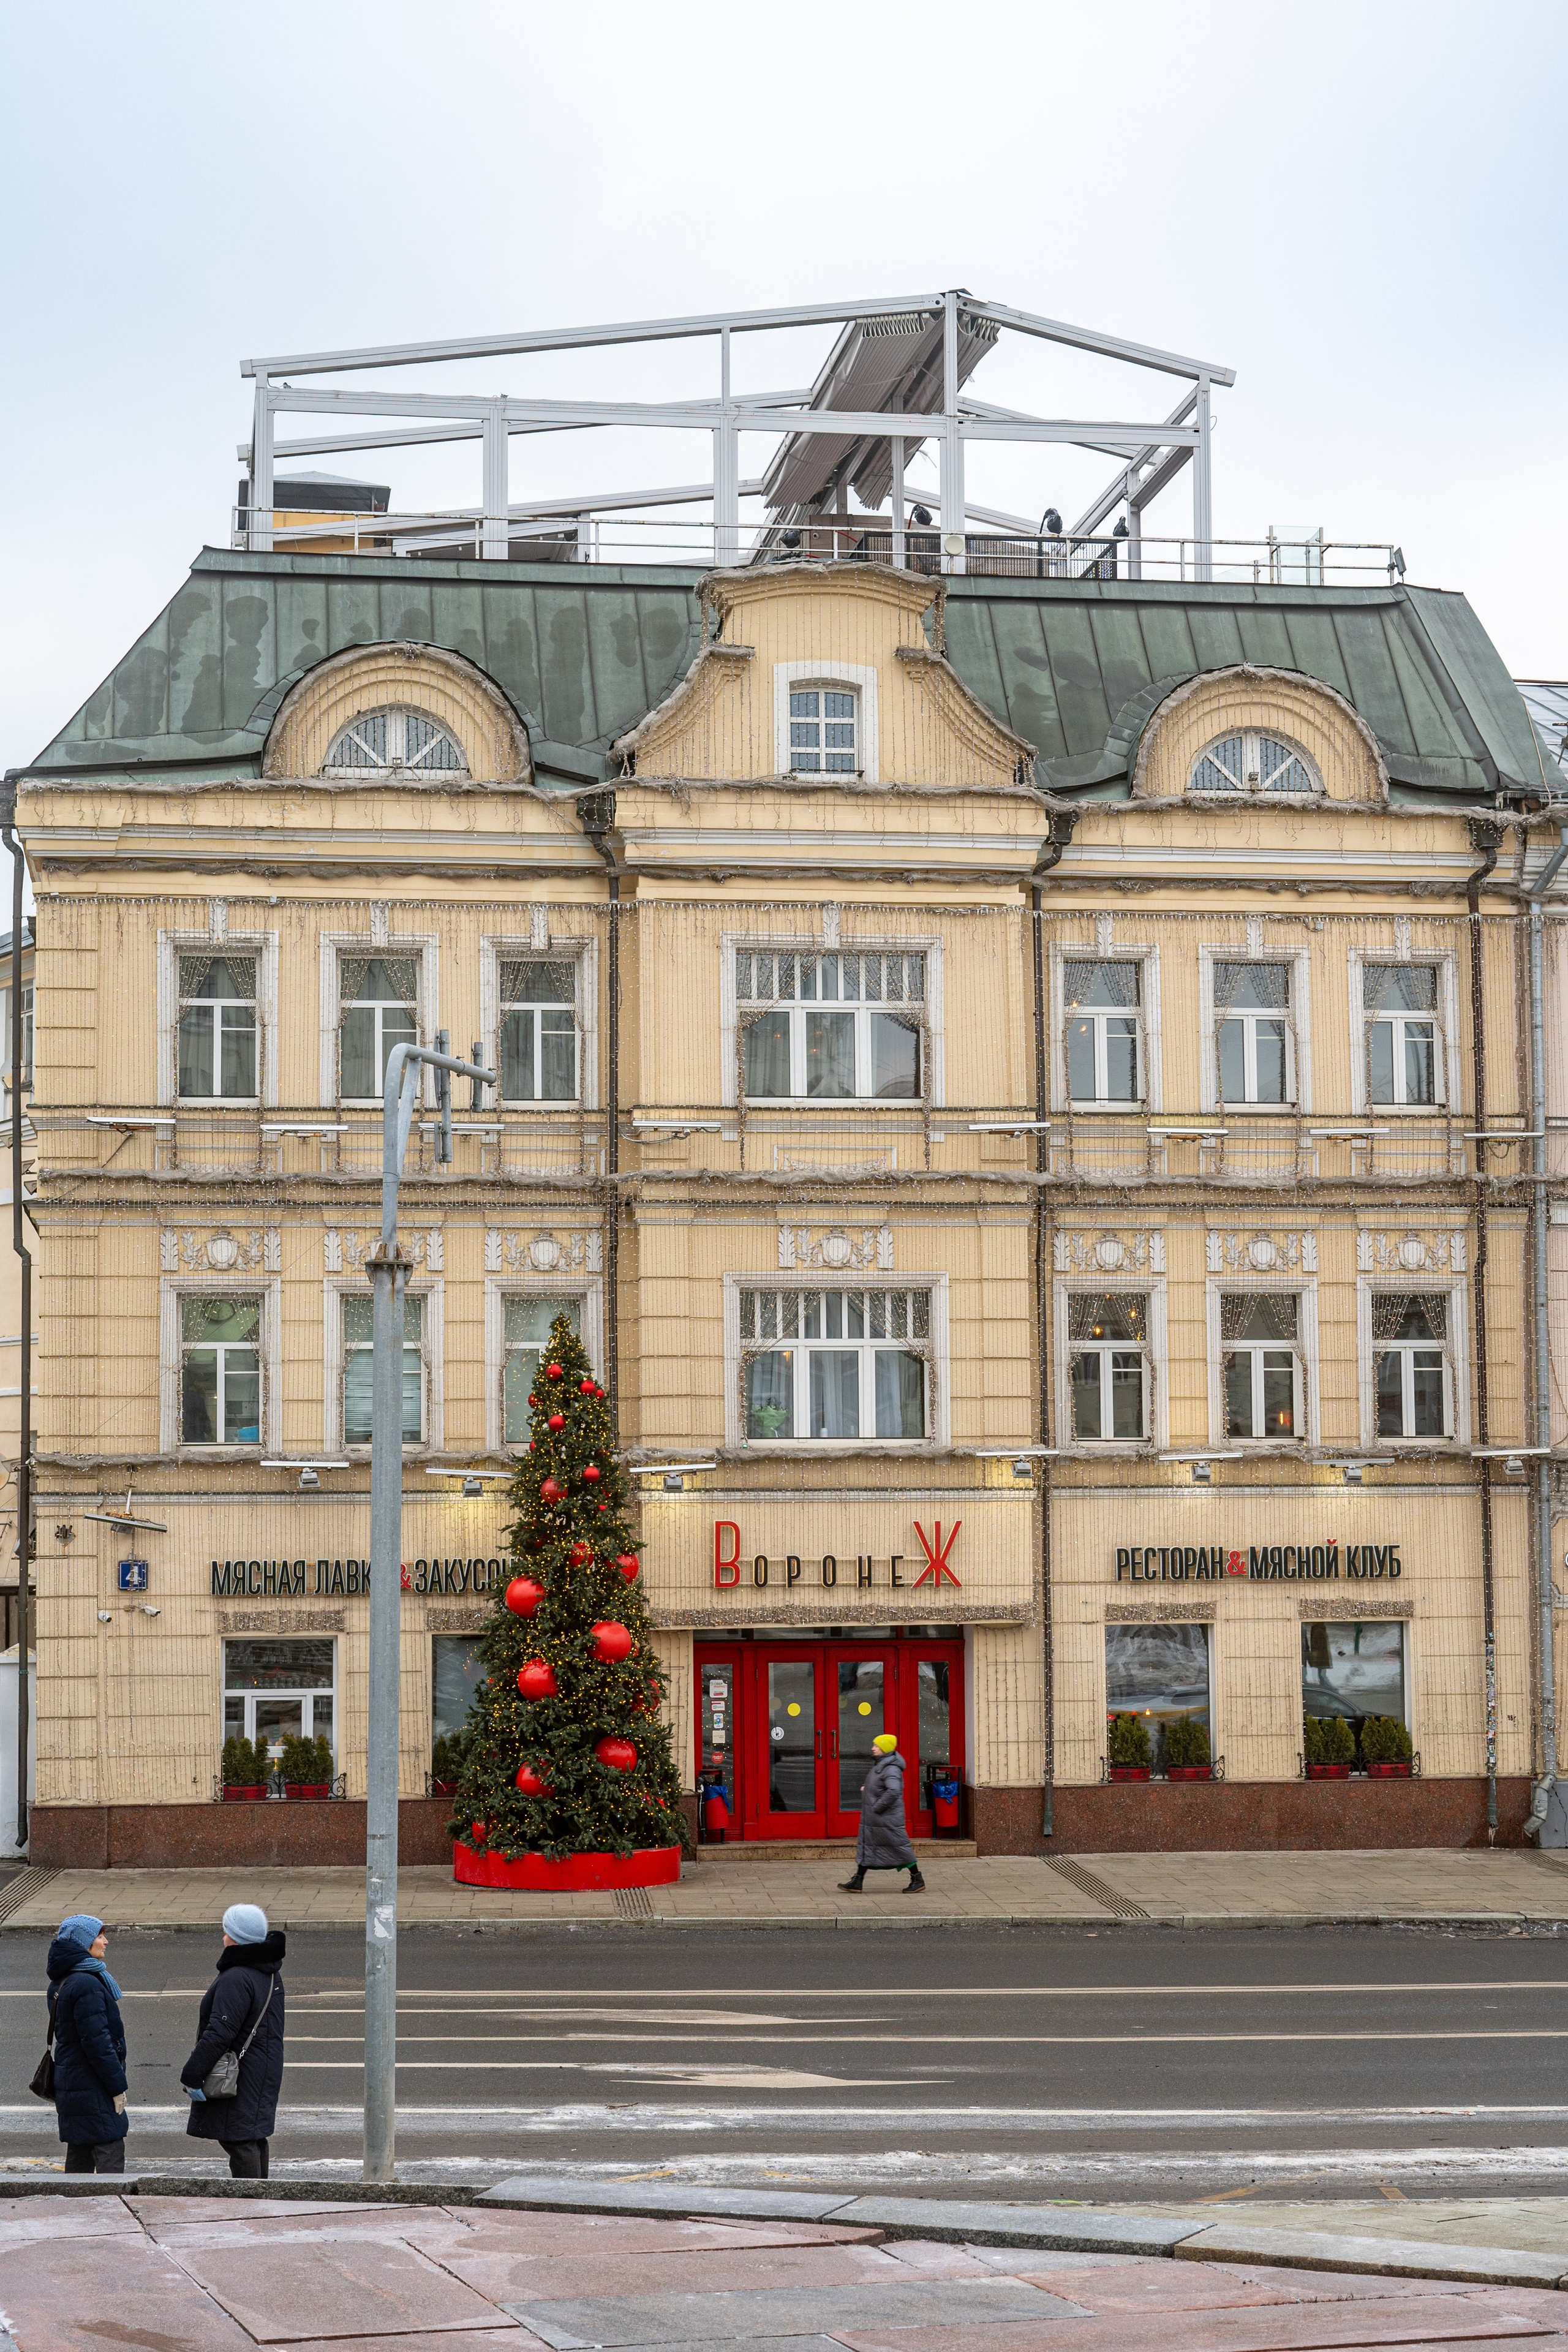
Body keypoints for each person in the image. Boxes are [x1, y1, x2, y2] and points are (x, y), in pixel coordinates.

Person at [179, 1902, 286, 2178]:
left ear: (237, 1938)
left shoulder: (237, 1976)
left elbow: (220, 2032)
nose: (223, 1937)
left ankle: (251, 2202)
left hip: (241, 2071)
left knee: (239, 2139)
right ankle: (261, 2196)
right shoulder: (269, 1971)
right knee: (252, 2136)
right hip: (262, 2065)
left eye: (227, 1931)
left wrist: (193, 2074)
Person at [46, 1912, 129, 2173]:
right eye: (100, 1936)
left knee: (80, 2152)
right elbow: (98, 2044)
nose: (106, 1942)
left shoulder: (64, 1980)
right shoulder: (86, 1985)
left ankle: (74, 2209)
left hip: (72, 2080)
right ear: (84, 1944)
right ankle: (114, 2209)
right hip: (92, 2083)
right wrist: (117, 2088)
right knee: (110, 2149)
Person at [839, 1732, 925, 1894]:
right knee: (869, 1847)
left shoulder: (891, 1768)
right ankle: (858, 1881)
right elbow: (882, 1787)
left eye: (877, 1746)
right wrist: (868, 1790)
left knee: (899, 1847)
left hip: (886, 1819)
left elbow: (894, 1790)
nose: (873, 1748)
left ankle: (917, 1878)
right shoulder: (882, 1765)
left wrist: (877, 1806)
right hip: (877, 1820)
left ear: (885, 1749)